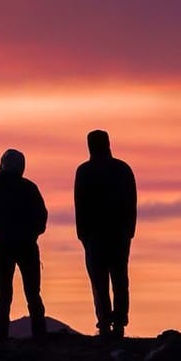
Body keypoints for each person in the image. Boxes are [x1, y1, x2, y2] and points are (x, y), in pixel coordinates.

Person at [0, 148, 47, 341]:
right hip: (27, 245)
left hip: (3, 246)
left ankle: (1, 337)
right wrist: (33, 233)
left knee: (4, 294)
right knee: (33, 293)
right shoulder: (29, 188)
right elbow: (42, 217)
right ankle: (39, 335)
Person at [74, 128, 137, 339]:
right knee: (119, 279)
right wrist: (129, 231)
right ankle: (118, 323)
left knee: (100, 280)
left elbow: (79, 206)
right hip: (118, 234)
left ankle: (105, 323)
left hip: (96, 235)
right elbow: (131, 203)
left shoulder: (84, 171)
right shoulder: (122, 169)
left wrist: (82, 234)